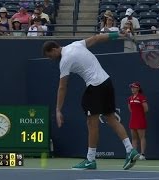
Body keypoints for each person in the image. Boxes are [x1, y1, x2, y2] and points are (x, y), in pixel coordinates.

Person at [42, 32, 140, 170]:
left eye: (50, 56)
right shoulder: (76, 44)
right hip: (107, 82)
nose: (51, 59)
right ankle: (130, 150)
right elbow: (97, 38)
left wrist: (58, 109)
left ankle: (90, 160)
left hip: (95, 86)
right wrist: (118, 34)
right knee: (111, 118)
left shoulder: (64, 61)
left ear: (54, 49)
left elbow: (62, 87)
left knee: (91, 122)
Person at [128, 82, 148, 160]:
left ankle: (142, 154)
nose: (132, 89)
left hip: (140, 119)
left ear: (138, 88)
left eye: (134, 87)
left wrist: (139, 114)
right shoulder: (130, 98)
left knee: (141, 137)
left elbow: (146, 109)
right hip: (133, 119)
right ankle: (134, 154)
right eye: (131, 87)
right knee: (133, 138)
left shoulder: (141, 97)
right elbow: (130, 109)